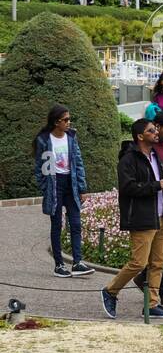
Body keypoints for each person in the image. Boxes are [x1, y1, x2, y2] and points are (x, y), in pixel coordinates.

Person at [100, 118, 163, 320]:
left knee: (158, 263)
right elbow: (128, 188)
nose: (156, 132)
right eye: (151, 130)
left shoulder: (154, 155)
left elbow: (159, 182)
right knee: (138, 263)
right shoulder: (129, 159)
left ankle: (151, 304)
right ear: (140, 136)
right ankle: (110, 291)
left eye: (155, 129)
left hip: (160, 216)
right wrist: (155, 185)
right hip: (142, 218)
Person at [130, 110, 163, 309]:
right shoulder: (150, 147)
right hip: (157, 204)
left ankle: (145, 277)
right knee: (156, 254)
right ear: (157, 128)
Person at [33, 104, 94, 278]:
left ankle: (77, 262)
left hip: (71, 183)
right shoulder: (44, 140)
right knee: (56, 225)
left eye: (69, 119)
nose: (69, 122)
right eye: (65, 120)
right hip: (54, 185)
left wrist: (82, 187)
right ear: (56, 121)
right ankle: (59, 264)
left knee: (75, 223)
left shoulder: (71, 137)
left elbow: (79, 163)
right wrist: (45, 188)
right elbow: (40, 168)